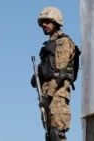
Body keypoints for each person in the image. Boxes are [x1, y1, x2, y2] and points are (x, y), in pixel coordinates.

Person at [31, 6, 78, 141]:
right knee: (50, 136)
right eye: (42, 23)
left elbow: (60, 73)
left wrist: (48, 97)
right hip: (46, 95)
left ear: (56, 21)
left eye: (47, 21)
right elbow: (47, 72)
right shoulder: (48, 46)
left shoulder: (62, 42)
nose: (43, 25)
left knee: (57, 135)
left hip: (57, 94)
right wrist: (37, 78)